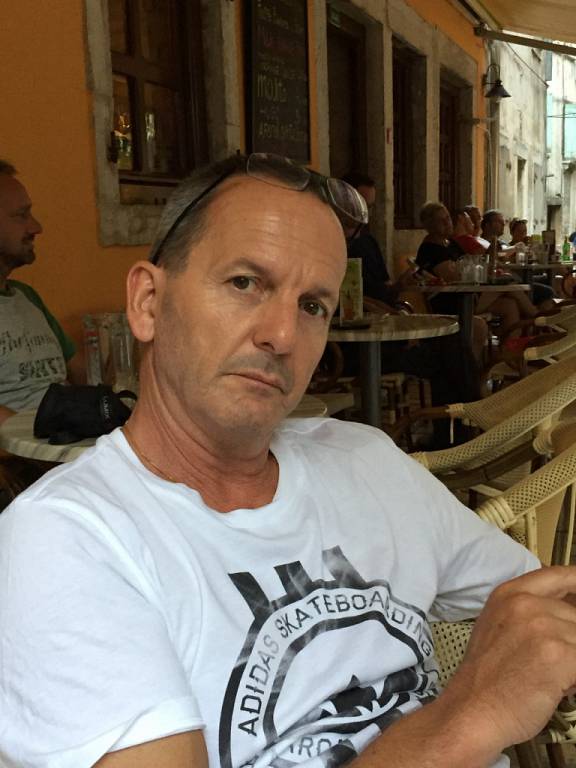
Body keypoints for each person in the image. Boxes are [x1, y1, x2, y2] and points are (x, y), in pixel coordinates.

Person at [1, 153, 576, 768]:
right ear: (147, 302)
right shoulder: (66, 537)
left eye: (312, 306)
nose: (281, 335)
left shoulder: (364, 459)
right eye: (245, 283)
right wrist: (472, 716)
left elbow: (543, 604)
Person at [343, 177, 481, 443]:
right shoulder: (331, 247)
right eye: (358, 206)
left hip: (383, 329)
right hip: (352, 346)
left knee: (451, 343)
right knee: (448, 351)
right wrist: (392, 314)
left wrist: (400, 287)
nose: (363, 215)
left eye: (368, 207)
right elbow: (351, 300)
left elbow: (384, 290)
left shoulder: (368, 242)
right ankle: (467, 425)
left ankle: (457, 430)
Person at [0, 160, 79, 425]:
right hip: (26, 448)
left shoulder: (27, 297)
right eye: (21, 215)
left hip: (67, 441)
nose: (36, 227)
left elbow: (87, 376)